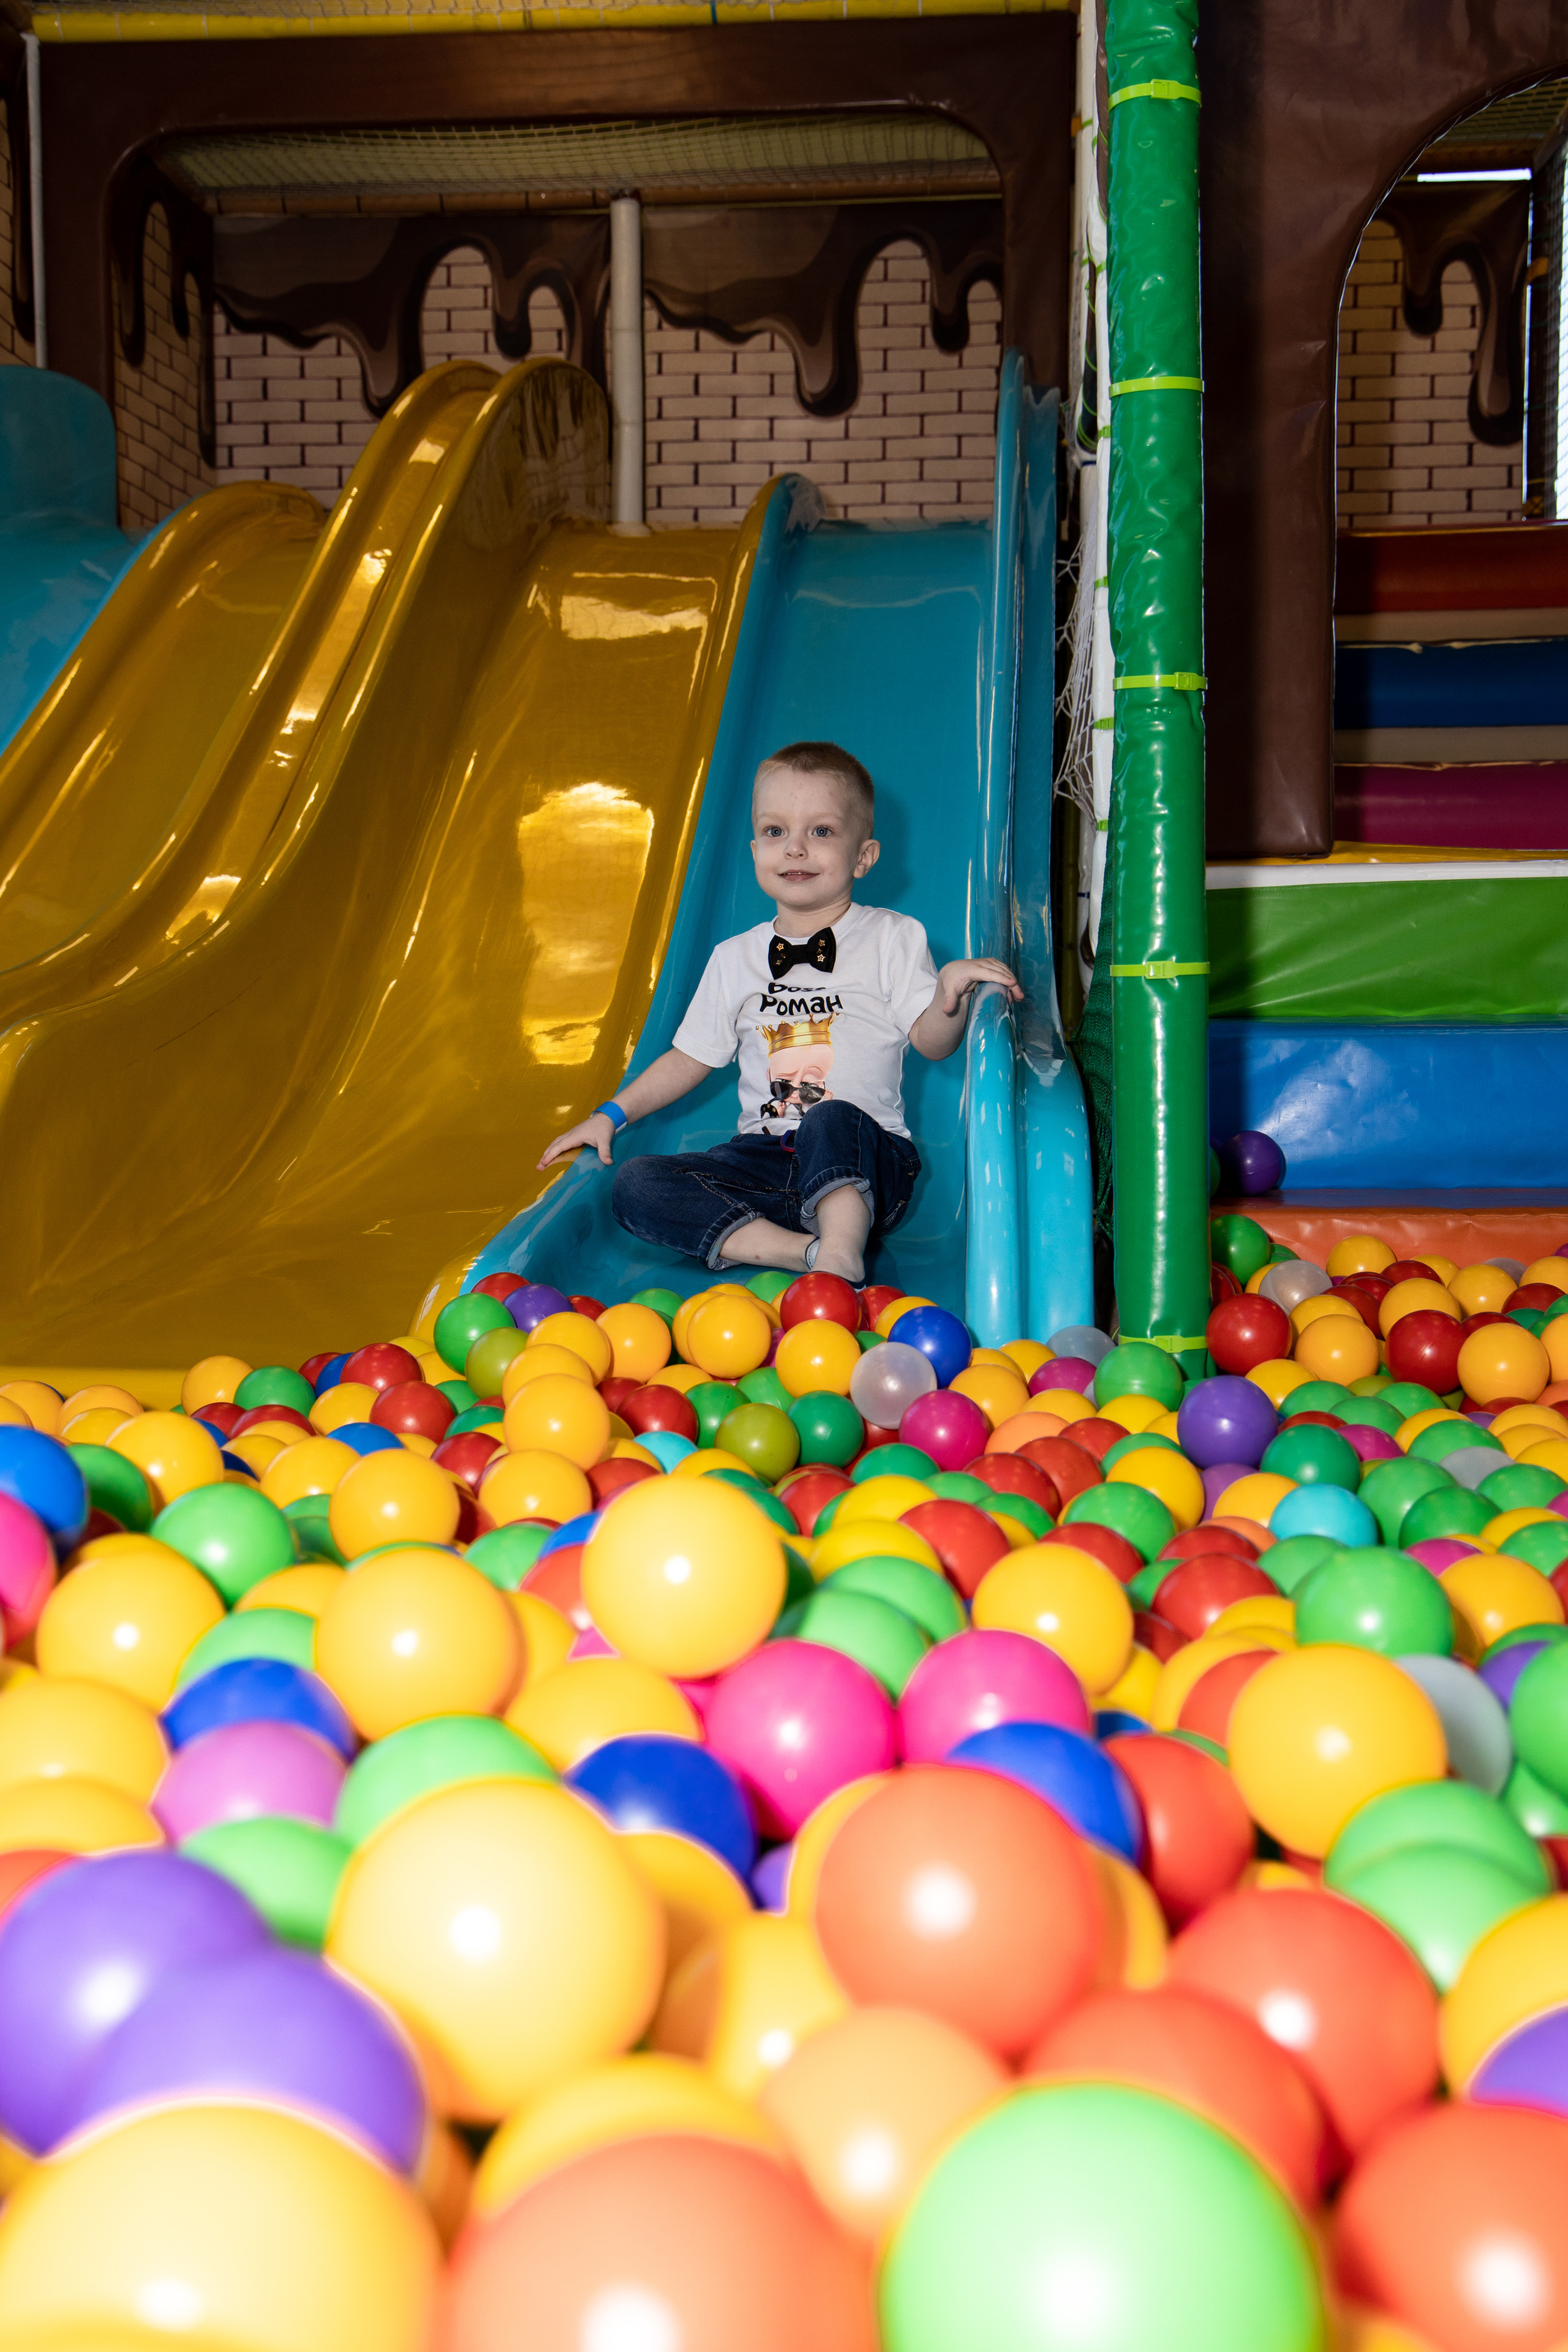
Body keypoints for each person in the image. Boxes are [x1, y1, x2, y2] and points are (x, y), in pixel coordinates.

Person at [537, 740, 1022, 1284]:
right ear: (754, 851)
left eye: (821, 831)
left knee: (830, 1116)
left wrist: (947, 996)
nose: (794, 849)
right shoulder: (733, 958)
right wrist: (611, 1115)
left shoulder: (891, 936)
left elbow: (934, 1042)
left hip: (864, 1163)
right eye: (775, 832)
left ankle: (842, 1244)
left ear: (863, 856)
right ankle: (806, 1255)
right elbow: (689, 1058)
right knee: (636, 1184)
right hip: (761, 1164)